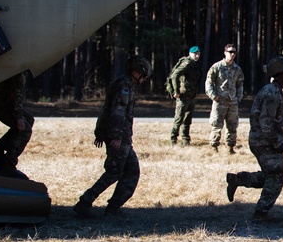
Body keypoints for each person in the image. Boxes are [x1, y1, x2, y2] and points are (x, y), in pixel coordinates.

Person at [74, 55, 151, 218]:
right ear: (138, 72)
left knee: (131, 171)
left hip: (121, 136)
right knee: (114, 172)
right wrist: (115, 136)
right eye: (144, 74)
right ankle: (85, 202)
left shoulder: (126, 83)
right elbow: (118, 111)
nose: (144, 79)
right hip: (118, 136)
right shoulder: (124, 85)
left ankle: (112, 208)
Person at [226, 57, 283, 221]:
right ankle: (260, 213)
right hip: (264, 140)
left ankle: (238, 179)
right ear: (279, 74)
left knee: (270, 174)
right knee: (276, 176)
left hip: (261, 139)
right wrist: (276, 141)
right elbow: (265, 121)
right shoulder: (272, 93)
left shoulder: (274, 90)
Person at [0, 70, 34, 172]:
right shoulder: (19, 73)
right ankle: (9, 162)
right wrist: (18, 117)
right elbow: (16, 96)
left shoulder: (19, 69)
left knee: (29, 119)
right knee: (25, 130)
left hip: (0, 100)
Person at [205, 44, 245, 153]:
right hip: (220, 101)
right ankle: (214, 147)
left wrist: (238, 97)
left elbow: (240, 84)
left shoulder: (237, 69)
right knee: (216, 125)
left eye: (234, 52)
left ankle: (230, 147)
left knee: (232, 126)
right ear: (225, 52)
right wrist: (214, 96)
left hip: (232, 102)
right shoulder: (216, 67)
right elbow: (209, 83)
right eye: (230, 52)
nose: (232, 54)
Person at [166, 46, 202, 145]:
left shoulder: (195, 64)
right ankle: (173, 140)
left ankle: (186, 140)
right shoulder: (187, 63)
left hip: (191, 95)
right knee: (179, 119)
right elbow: (175, 75)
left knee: (187, 119)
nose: (197, 56)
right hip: (183, 96)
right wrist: (176, 91)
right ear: (190, 54)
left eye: (198, 54)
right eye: (195, 54)